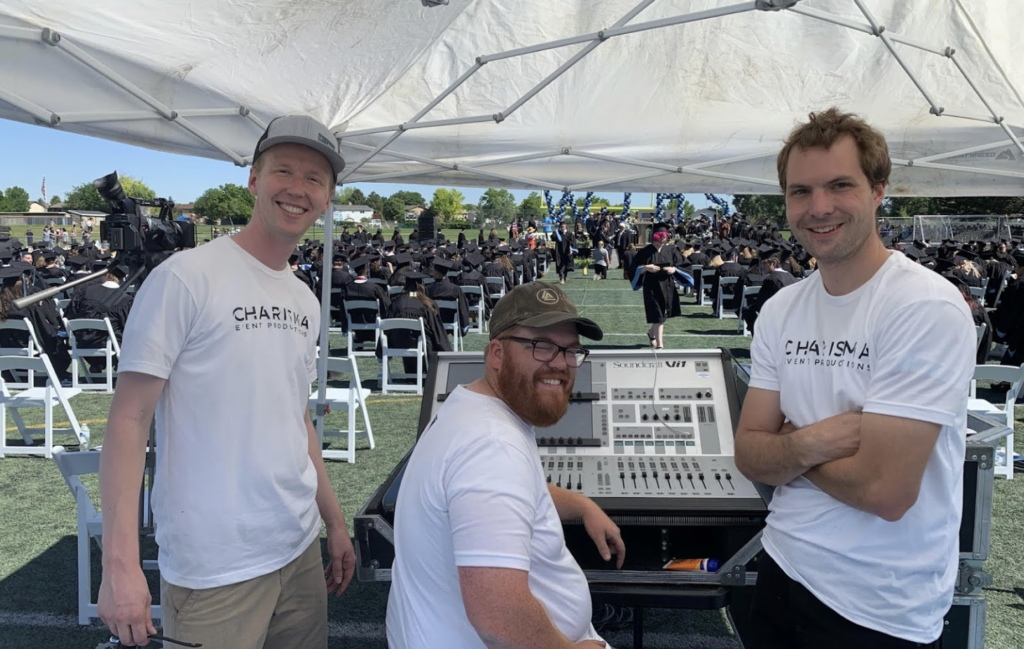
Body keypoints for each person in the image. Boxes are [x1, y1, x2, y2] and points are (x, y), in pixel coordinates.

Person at [97, 114, 357, 649]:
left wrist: (333, 522)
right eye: (283, 171)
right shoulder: (185, 277)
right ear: (255, 181)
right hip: (214, 568)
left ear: (328, 198)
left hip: (298, 547)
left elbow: (296, 418)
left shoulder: (304, 300)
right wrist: (118, 566)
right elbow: (128, 420)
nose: (297, 188)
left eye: (314, 179)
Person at [733, 107, 975, 649]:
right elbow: (749, 455)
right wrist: (821, 440)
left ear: (878, 190)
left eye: (840, 185)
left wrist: (790, 449)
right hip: (782, 567)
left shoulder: (923, 305)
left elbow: (885, 491)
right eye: (800, 192)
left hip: (880, 606)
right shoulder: (782, 310)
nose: (818, 208)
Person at [386, 281, 623, 649]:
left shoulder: (472, 410)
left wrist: (582, 505)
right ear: (496, 353)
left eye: (571, 351)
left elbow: (511, 492)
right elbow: (498, 615)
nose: (560, 364)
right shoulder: (492, 445)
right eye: (541, 346)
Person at [629, 222, 683, 349]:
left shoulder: (671, 250)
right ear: (655, 235)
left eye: (665, 235)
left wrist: (674, 270)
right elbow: (633, 268)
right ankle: (660, 345)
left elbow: (682, 265)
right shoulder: (645, 252)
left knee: (663, 315)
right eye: (661, 235)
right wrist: (646, 268)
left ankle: (652, 334)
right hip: (651, 286)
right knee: (658, 315)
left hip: (667, 285)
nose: (663, 238)